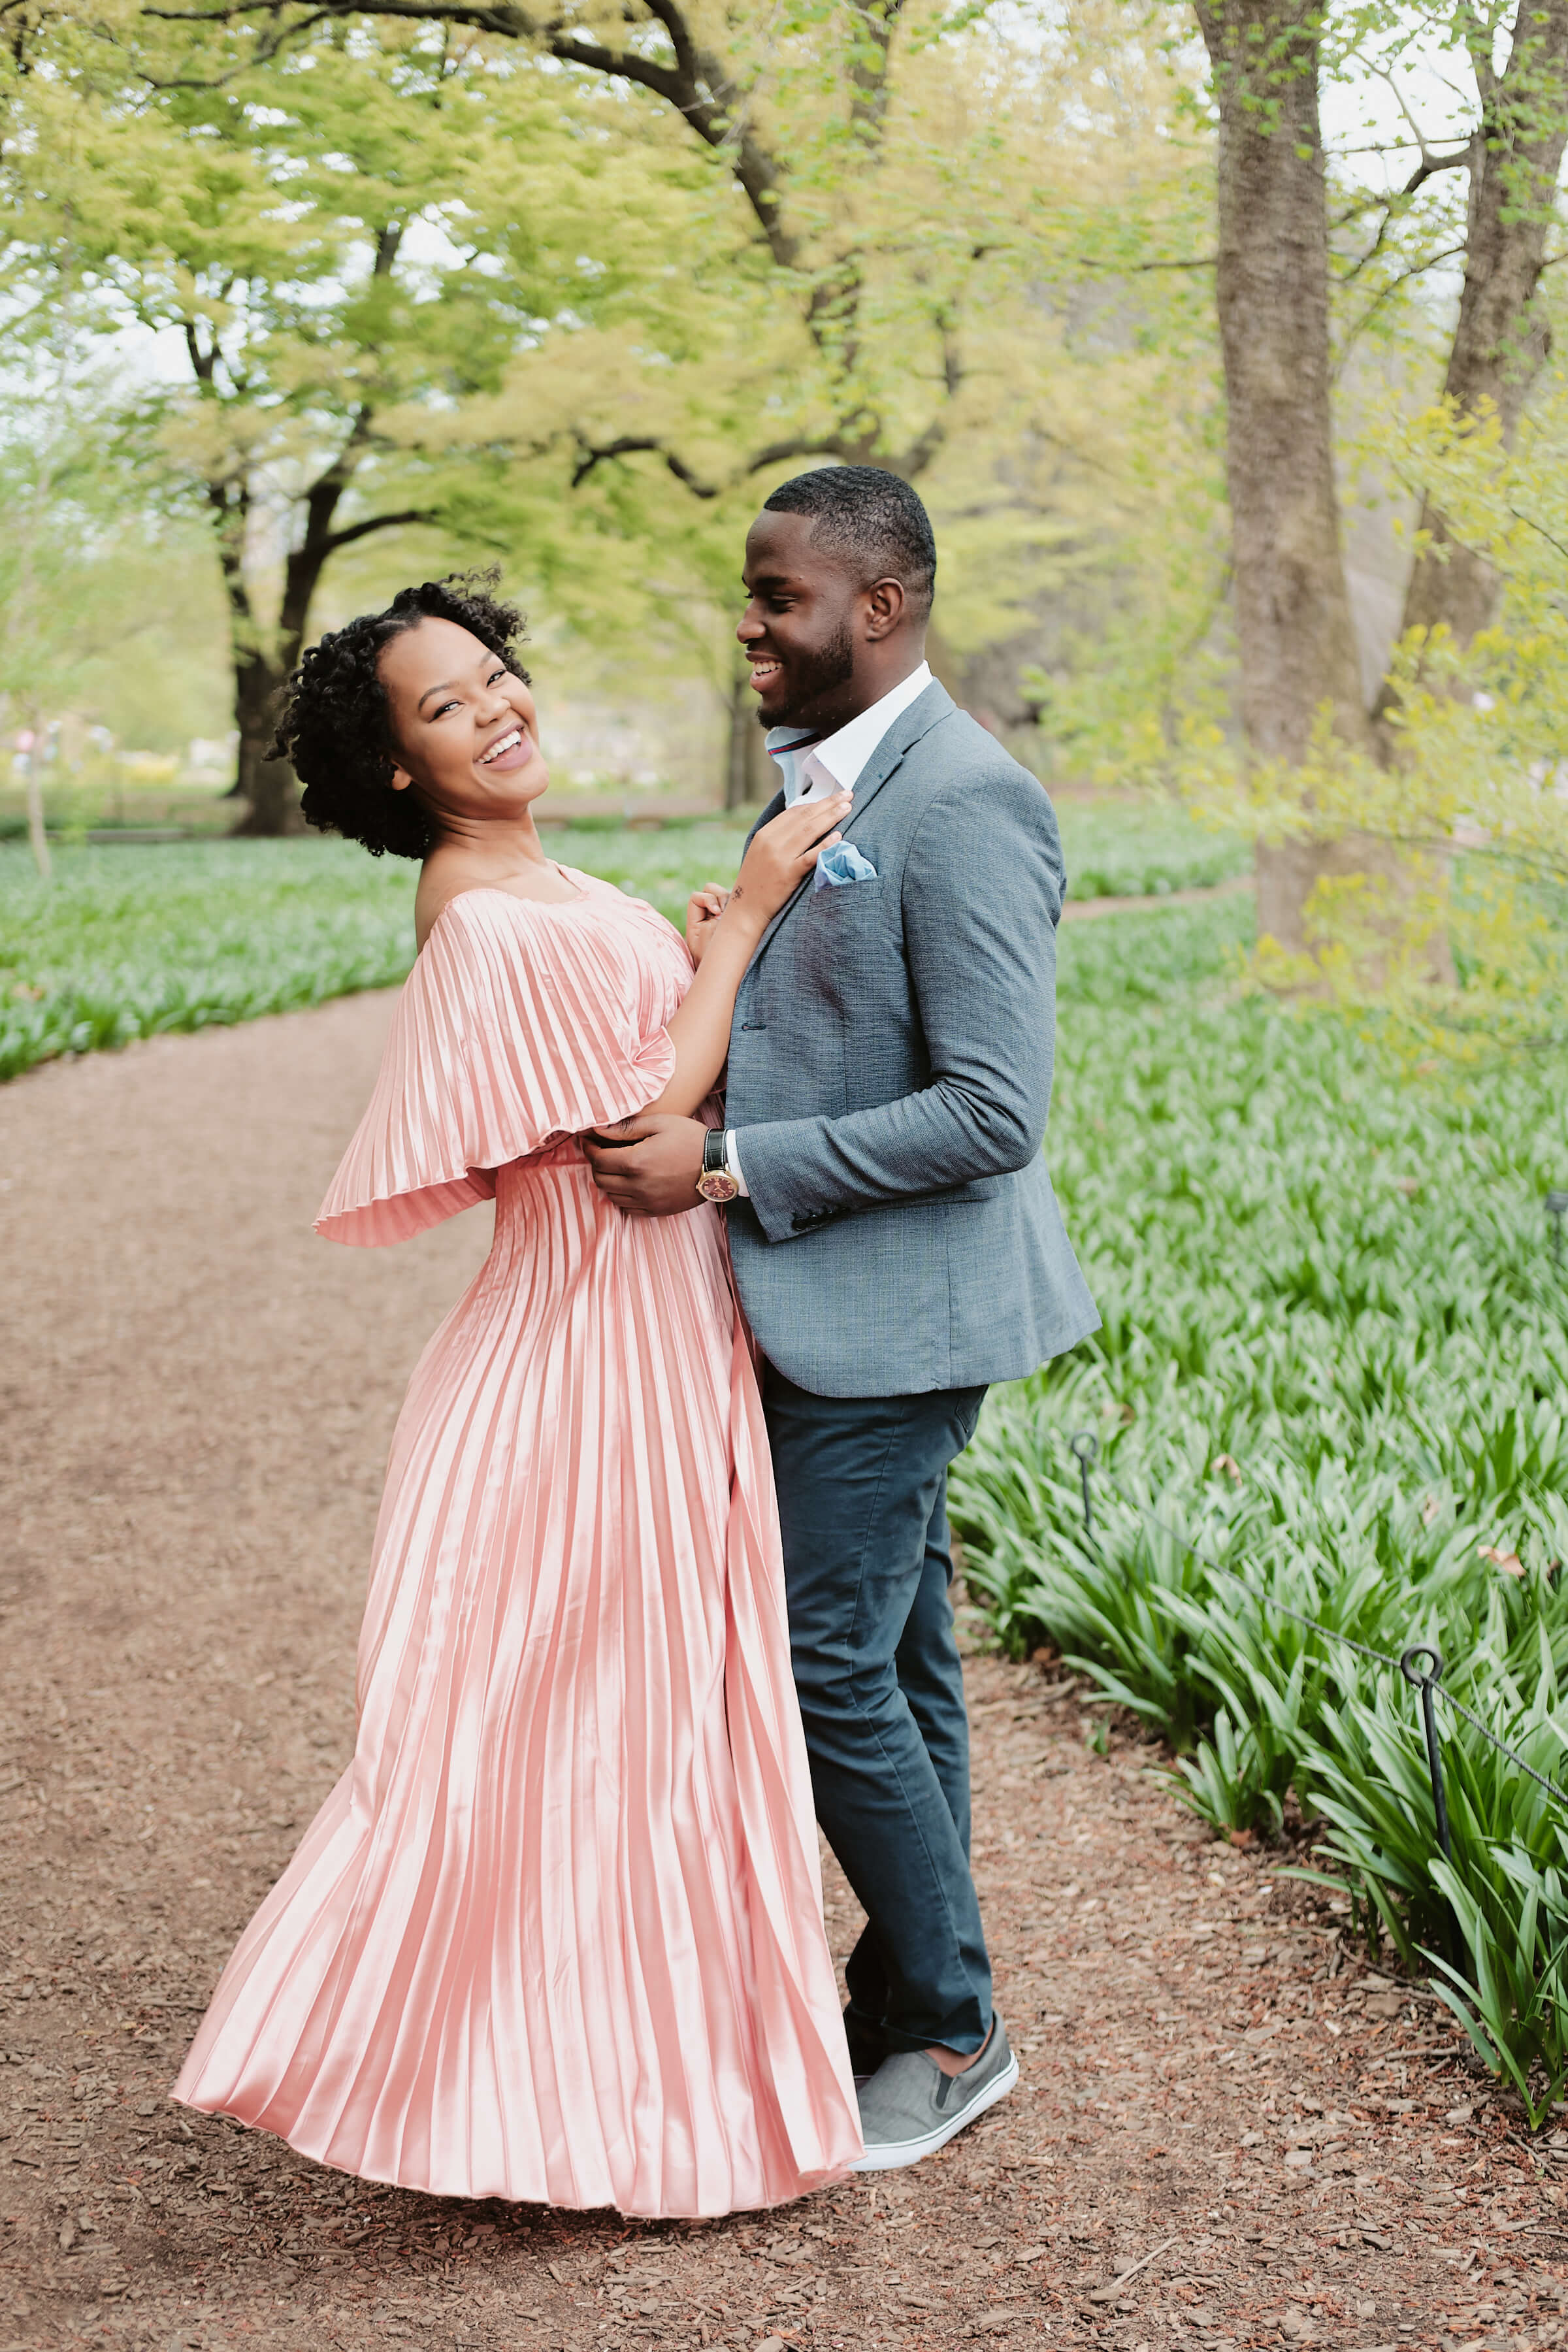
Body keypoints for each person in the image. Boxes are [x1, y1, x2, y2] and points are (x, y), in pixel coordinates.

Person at [172, 573, 865, 2218]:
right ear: (396, 768)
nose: (495, 708)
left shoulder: (542, 876)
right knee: (564, 1725)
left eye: (494, 675)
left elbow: (648, 1059)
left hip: (649, 1332)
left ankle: (615, 2076)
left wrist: (694, 956)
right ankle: (497, 2077)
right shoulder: (478, 913)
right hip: (590, 1348)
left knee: (641, 1720)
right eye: (445, 706)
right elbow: (635, 1146)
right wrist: (753, 917)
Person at [585, 468, 1100, 2173]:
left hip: (901, 1322)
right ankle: (904, 1996)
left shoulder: (966, 802)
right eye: (749, 590)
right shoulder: (815, 783)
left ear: (879, 610)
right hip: (830, 1310)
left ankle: (955, 2027)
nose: (749, 620)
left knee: (819, 1666)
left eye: (777, 594)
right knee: (896, 1663)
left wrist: (724, 1162)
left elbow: (990, 1112)